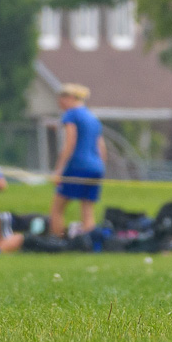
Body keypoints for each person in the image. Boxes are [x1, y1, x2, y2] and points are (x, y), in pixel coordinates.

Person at [49, 83, 106, 236]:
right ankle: (89, 244)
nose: (59, 102)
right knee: (87, 210)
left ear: (71, 98)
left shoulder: (71, 115)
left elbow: (70, 142)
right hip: (96, 167)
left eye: (62, 98)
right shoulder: (92, 117)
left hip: (78, 165)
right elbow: (101, 146)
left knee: (57, 209)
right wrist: (102, 167)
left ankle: (57, 242)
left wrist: (59, 169)